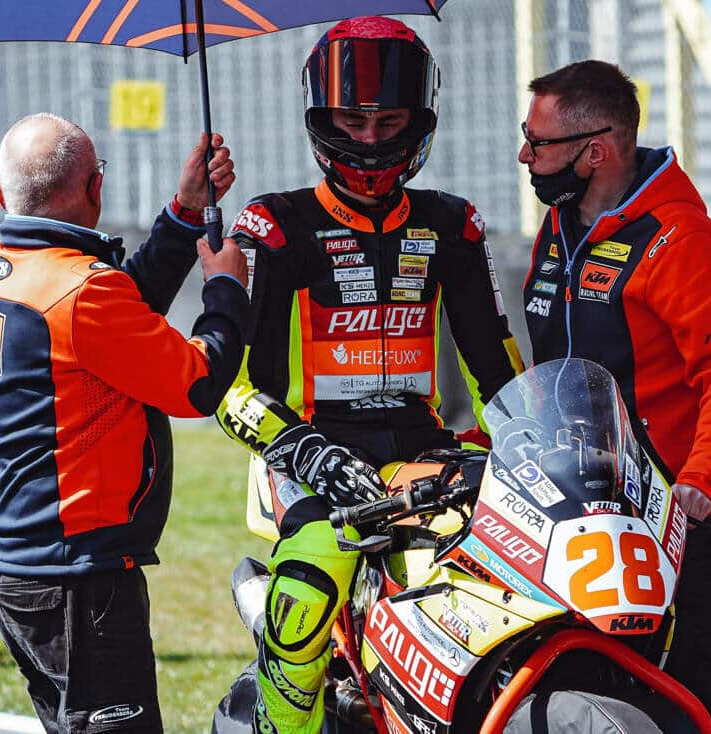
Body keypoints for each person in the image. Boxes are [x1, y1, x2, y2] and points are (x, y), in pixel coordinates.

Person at [215, 16, 522, 733]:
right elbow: (229, 387)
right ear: (322, 120)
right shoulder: (274, 227)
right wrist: (306, 453)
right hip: (308, 453)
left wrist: (521, 441)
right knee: (308, 591)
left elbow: (498, 370)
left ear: (420, 119)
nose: (371, 140)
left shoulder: (454, 225)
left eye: (389, 121)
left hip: (423, 450)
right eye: (353, 120)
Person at [0, 112, 250, 733]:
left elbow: (121, 310)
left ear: (0, 196)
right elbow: (198, 383)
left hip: (26, 576)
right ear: (95, 187)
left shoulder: (3, 271)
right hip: (78, 584)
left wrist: (185, 211)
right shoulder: (81, 292)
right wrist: (227, 290)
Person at [518, 61, 711, 732]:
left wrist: (700, 483)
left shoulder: (682, 240)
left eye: (539, 143)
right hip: (591, 508)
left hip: (692, 509)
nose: (525, 156)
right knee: (589, 686)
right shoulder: (559, 228)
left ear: (596, 151)